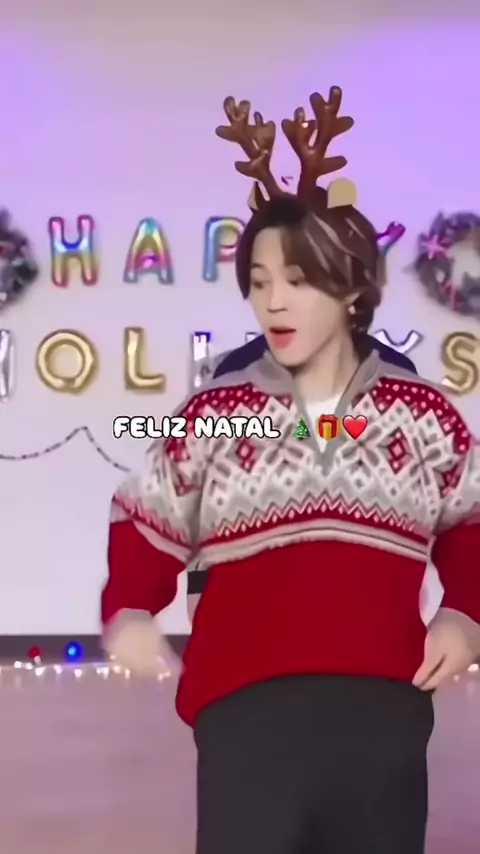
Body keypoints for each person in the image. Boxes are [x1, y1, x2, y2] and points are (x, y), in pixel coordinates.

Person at [101, 87, 480, 854]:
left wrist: (466, 612)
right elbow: (148, 514)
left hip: (385, 709)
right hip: (243, 711)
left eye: (298, 280)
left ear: (352, 288)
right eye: (260, 279)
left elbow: (469, 523)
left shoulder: (421, 413)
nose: (273, 300)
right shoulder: (218, 411)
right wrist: (131, 607)